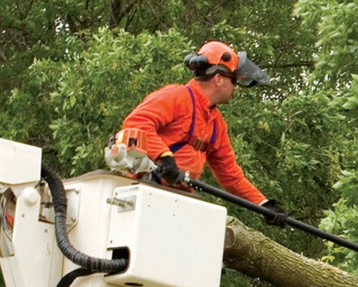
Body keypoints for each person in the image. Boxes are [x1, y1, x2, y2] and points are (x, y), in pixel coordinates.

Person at [119, 40, 288, 225]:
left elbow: (230, 174)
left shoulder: (216, 124)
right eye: (234, 80)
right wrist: (164, 157)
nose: (235, 88)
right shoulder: (177, 96)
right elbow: (136, 123)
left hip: (179, 199)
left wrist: (263, 204)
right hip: (147, 190)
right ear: (218, 79)